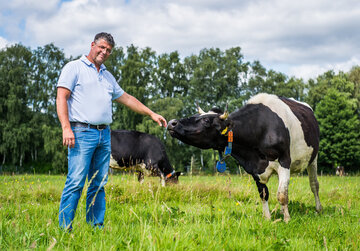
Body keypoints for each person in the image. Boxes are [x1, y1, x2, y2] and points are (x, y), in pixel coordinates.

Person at [56, 32, 167, 231]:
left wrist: (151, 113)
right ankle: (65, 229)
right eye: (102, 47)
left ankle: (96, 226)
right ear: (92, 45)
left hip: (104, 135)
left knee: (98, 183)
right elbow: (61, 97)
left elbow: (127, 98)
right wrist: (66, 127)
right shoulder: (74, 68)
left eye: (108, 50)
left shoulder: (107, 76)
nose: (104, 52)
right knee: (76, 181)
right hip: (81, 133)